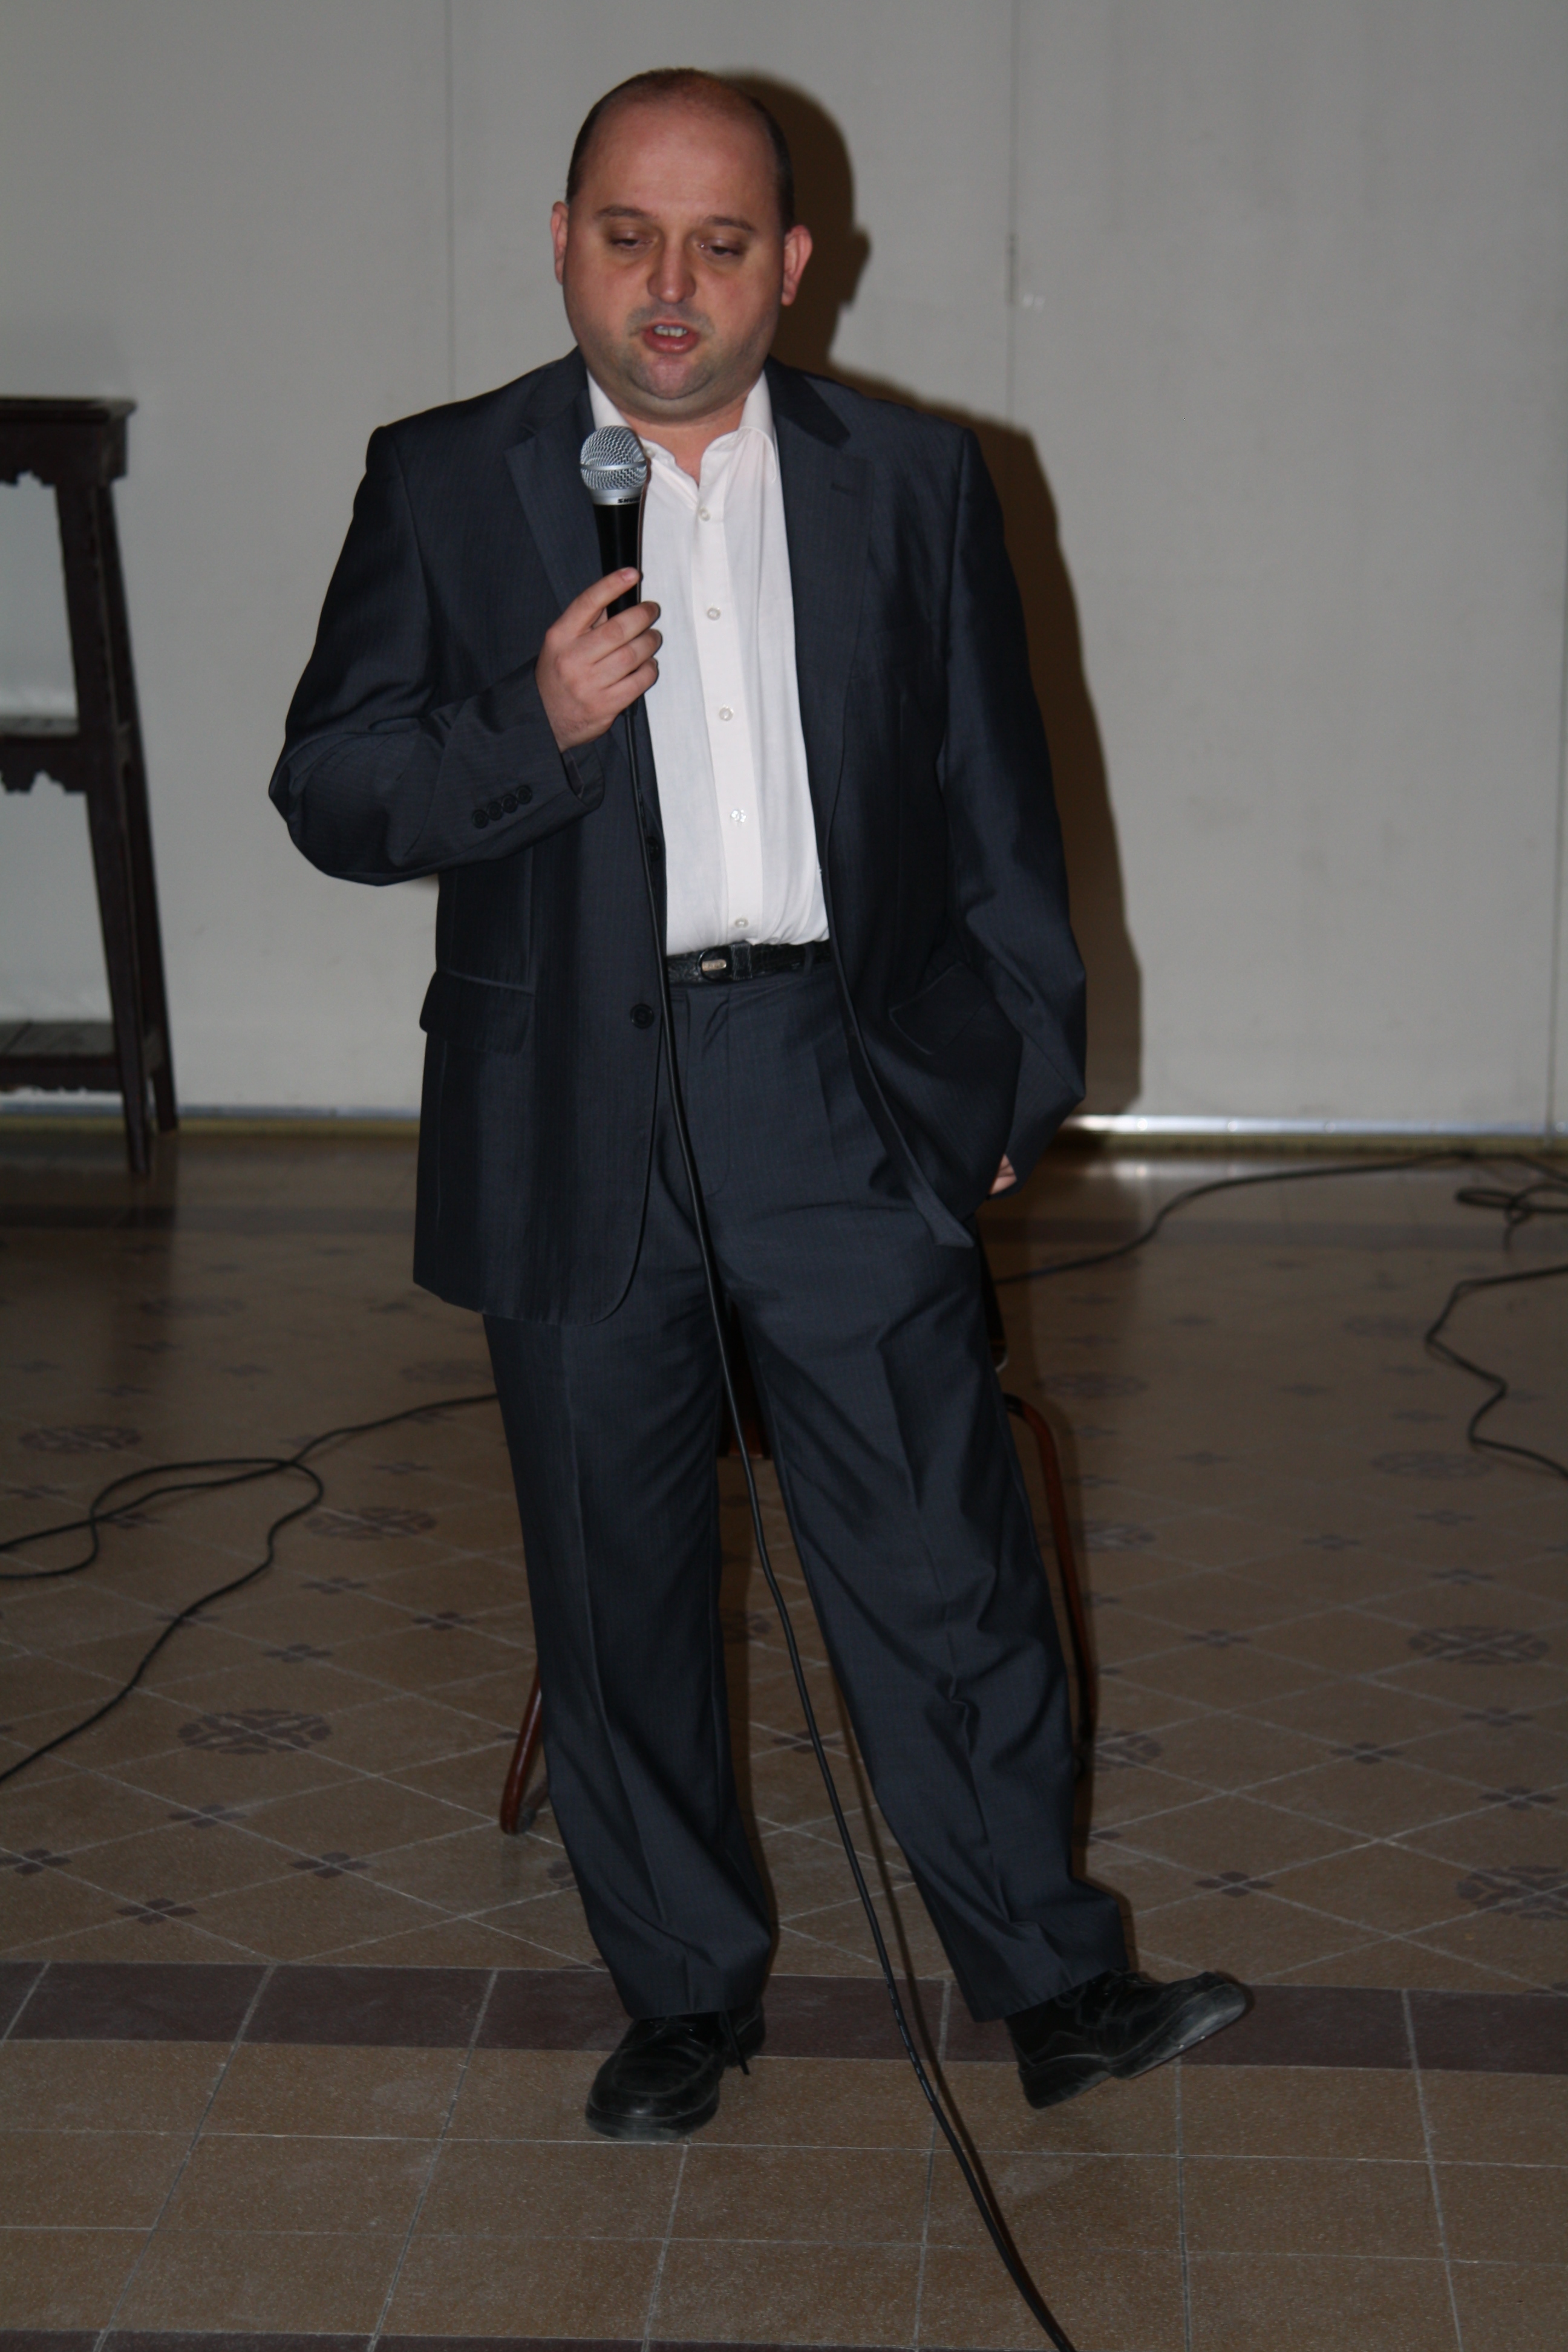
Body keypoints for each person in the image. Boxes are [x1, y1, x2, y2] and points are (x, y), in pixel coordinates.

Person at [270, 68, 1244, 2141]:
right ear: (561, 243)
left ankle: (1053, 1981)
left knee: (944, 1555)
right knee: (614, 1582)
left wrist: (1011, 1073)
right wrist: (529, 726)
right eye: (630, 237)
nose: (672, 285)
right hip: (571, 1098)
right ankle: (685, 1998)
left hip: (835, 1077)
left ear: (793, 264)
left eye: (720, 245)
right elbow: (333, 789)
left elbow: (997, 806)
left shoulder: (915, 479)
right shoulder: (444, 480)